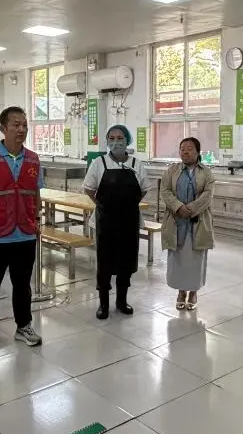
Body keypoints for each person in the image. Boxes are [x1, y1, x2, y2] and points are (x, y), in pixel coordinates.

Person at [0, 106, 44, 361]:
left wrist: (36, 220)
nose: (21, 129)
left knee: (22, 286)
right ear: (3, 128)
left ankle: (23, 326)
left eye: (24, 125)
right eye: (16, 124)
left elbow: (35, 193)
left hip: (24, 233)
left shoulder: (33, 159)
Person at [83, 124, 150, 319]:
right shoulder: (99, 163)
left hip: (129, 220)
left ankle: (122, 301)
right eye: (111, 138)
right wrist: (102, 204)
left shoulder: (137, 164)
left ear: (127, 140)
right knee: (104, 262)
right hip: (106, 221)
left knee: (126, 261)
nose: (116, 142)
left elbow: (144, 189)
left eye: (120, 138)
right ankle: (103, 303)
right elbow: (89, 188)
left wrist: (128, 204)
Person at [160, 137, 215, 310]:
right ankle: (181, 291)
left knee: (196, 259)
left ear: (198, 152)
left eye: (190, 148)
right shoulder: (172, 170)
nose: (185, 151)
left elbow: (208, 195)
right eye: (182, 148)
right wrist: (178, 207)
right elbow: (165, 191)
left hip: (198, 223)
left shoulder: (206, 173)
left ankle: (193, 292)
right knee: (178, 259)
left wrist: (190, 209)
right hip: (176, 222)